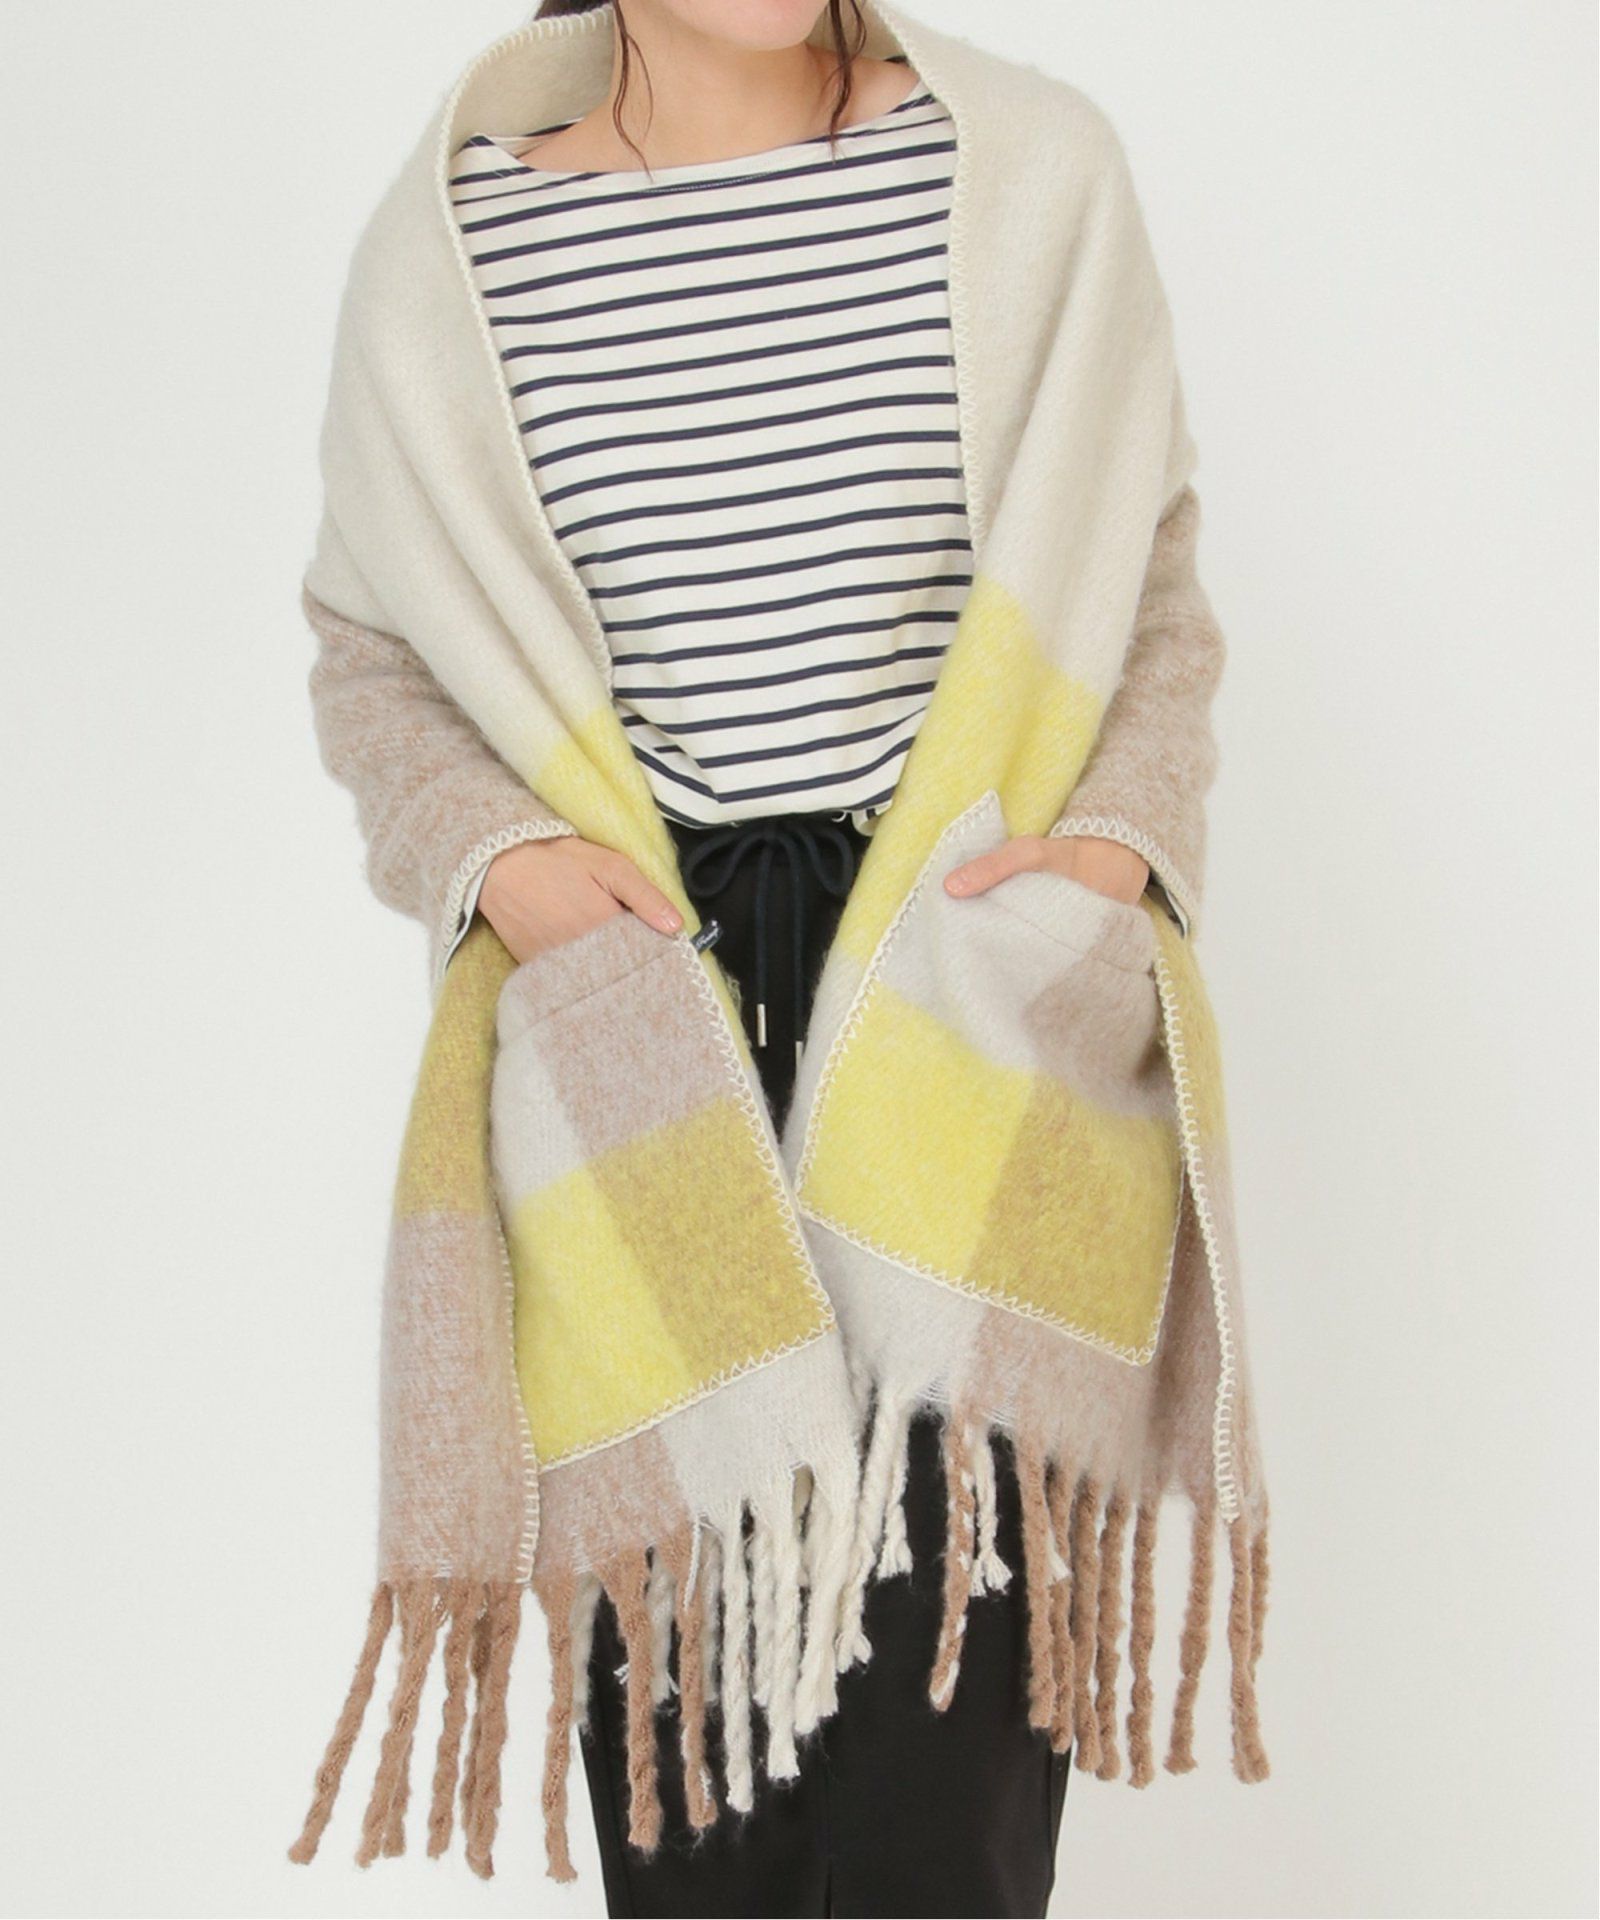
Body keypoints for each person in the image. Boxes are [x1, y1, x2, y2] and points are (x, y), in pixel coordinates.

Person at [293, 2, 1267, 1915]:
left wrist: (1110, 858)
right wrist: (502, 864)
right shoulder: (454, 249)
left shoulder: (1022, 171)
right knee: (699, 1830)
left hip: (964, 1014)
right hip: (638, 1051)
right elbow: (370, 648)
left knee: (942, 1828)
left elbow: (1146, 579)